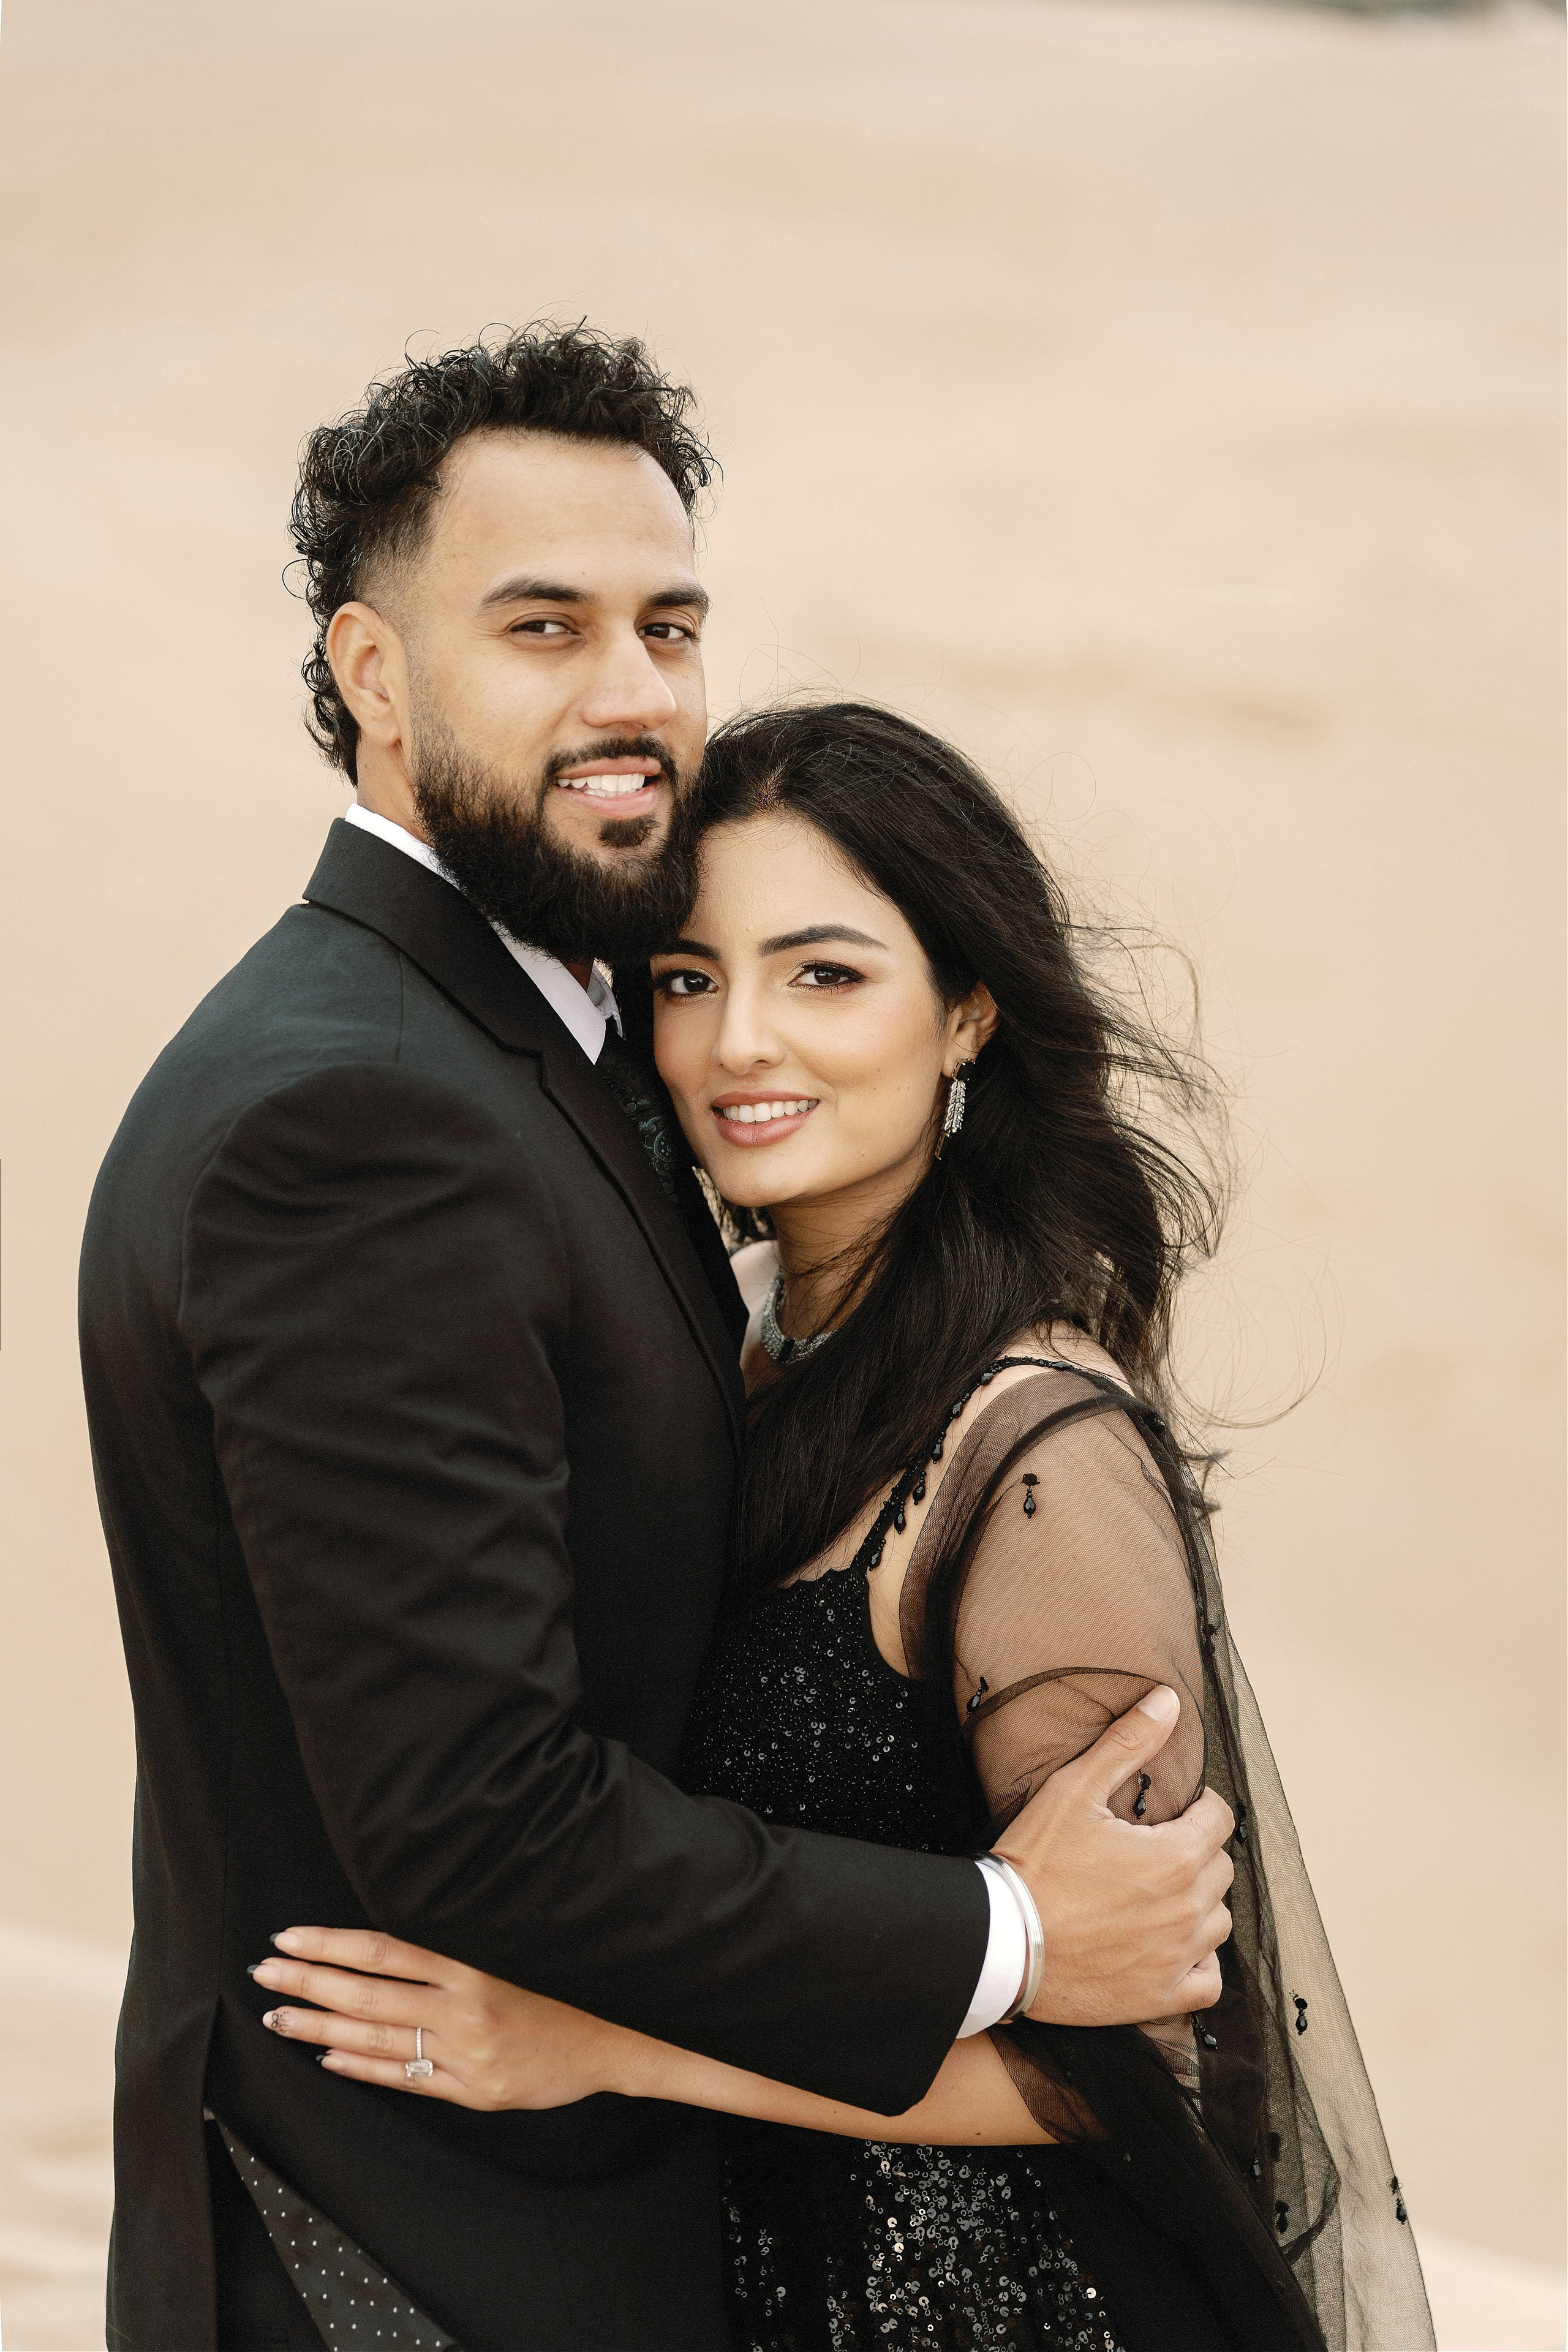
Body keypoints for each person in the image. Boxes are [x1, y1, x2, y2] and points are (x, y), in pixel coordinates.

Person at [78, 331, 1235, 2352]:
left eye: (669, 626)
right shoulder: (359, 1119)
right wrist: (1015, 1930)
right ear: (370, 674)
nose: (633, 697)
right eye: (543, 627)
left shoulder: (530, 1036)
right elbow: (475, 1813)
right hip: (414, 2251)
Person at [253, 703, 1435, 2352]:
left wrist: (602, 2044)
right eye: (687, 979)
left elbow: (1150, 2068)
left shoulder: (1036, 1453)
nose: (742, 1043)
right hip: (750, 2280)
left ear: (964, 1014)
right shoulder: (725, 1351)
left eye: (824, 975)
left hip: (999, 2311)